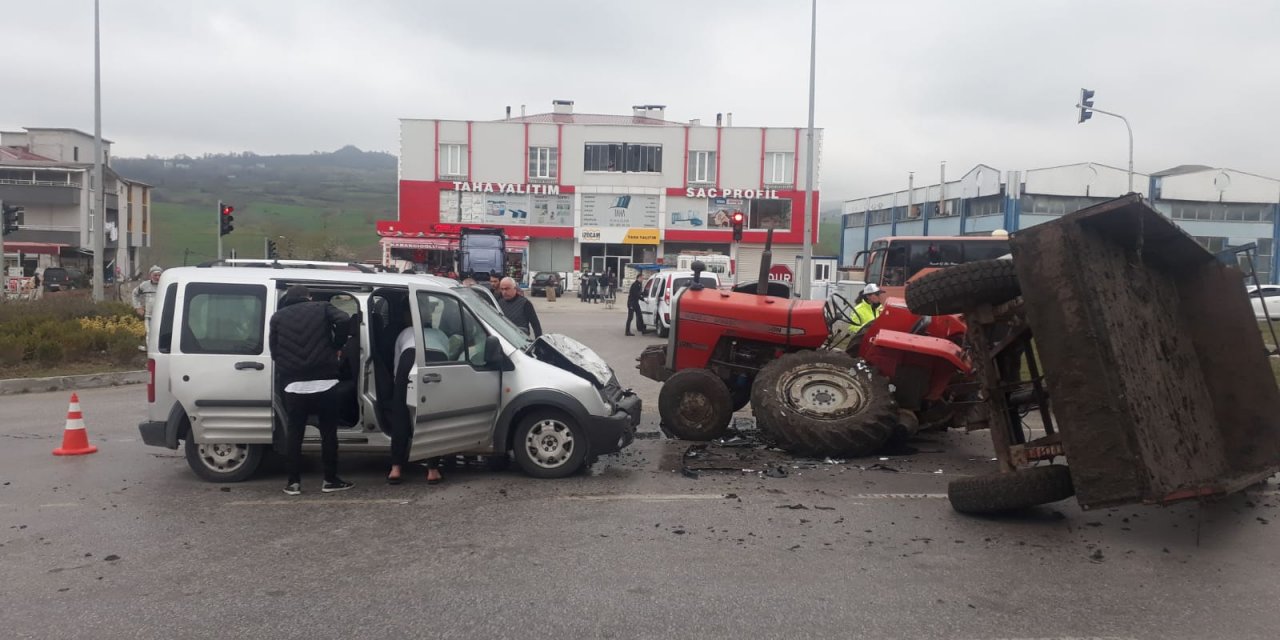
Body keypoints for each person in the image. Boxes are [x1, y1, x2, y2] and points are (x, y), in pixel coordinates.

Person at [269, 285, 357, 496]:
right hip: (325, 382)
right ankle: (330, 480)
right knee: (328, 434)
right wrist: (337, 344)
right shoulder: (323, 307)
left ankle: (293, 483)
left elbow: (274, 349)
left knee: (295, 435)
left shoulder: (277, 317)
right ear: (308, 297)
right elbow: (344, 319)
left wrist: (285, 365)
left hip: (294, 386)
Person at [387, 304, 443, 485]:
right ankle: (432, 470)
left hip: (407, 359)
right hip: (435, 358)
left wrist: (399, 391)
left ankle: (395, 469)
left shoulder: (405, 333)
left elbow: (397, 367)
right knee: (432, 419)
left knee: (401, 417)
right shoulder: (441, 335)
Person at [132, 266, 163, 349]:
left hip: (162, 316)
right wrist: (138, 307)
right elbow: (135, 294)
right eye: (155, 275)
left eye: (159, 275)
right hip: (149, 316)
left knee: (160, 334)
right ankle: (150, 353)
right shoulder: (144, 285)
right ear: (150, 276)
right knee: (149, 333)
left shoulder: (165, 285)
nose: (157, 277)